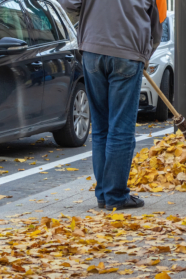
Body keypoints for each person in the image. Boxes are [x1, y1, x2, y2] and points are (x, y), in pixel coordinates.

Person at [58, 0, 166, 210]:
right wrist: (144, 55)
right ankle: (115, 196)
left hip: (93, 51)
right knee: (121, 130)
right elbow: (157, 24)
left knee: (100, 128)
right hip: (127, 53)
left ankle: (104, 194)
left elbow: (69, 3)